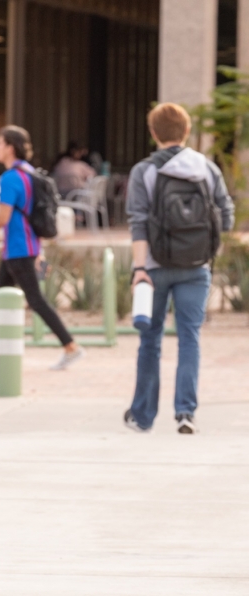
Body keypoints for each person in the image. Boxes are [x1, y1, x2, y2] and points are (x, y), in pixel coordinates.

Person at [123, 103, 233, 434]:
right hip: (196, 267)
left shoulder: (144, 171)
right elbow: (224, 215)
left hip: (154, 267)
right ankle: (186, 412)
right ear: (185, 131)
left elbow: (138, 222)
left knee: (150, 340)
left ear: (153, 133)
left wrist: (139, 268)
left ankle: (142, 416)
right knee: (190, 337)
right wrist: (204, 250)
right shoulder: (207, 167)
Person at [0, 125, 84, 370]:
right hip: (22, 248)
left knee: (36, 301)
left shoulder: (10, 177)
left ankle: (71, 346)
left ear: (10, 147)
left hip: (19, 249)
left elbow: (2, 217)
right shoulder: (29, 173)